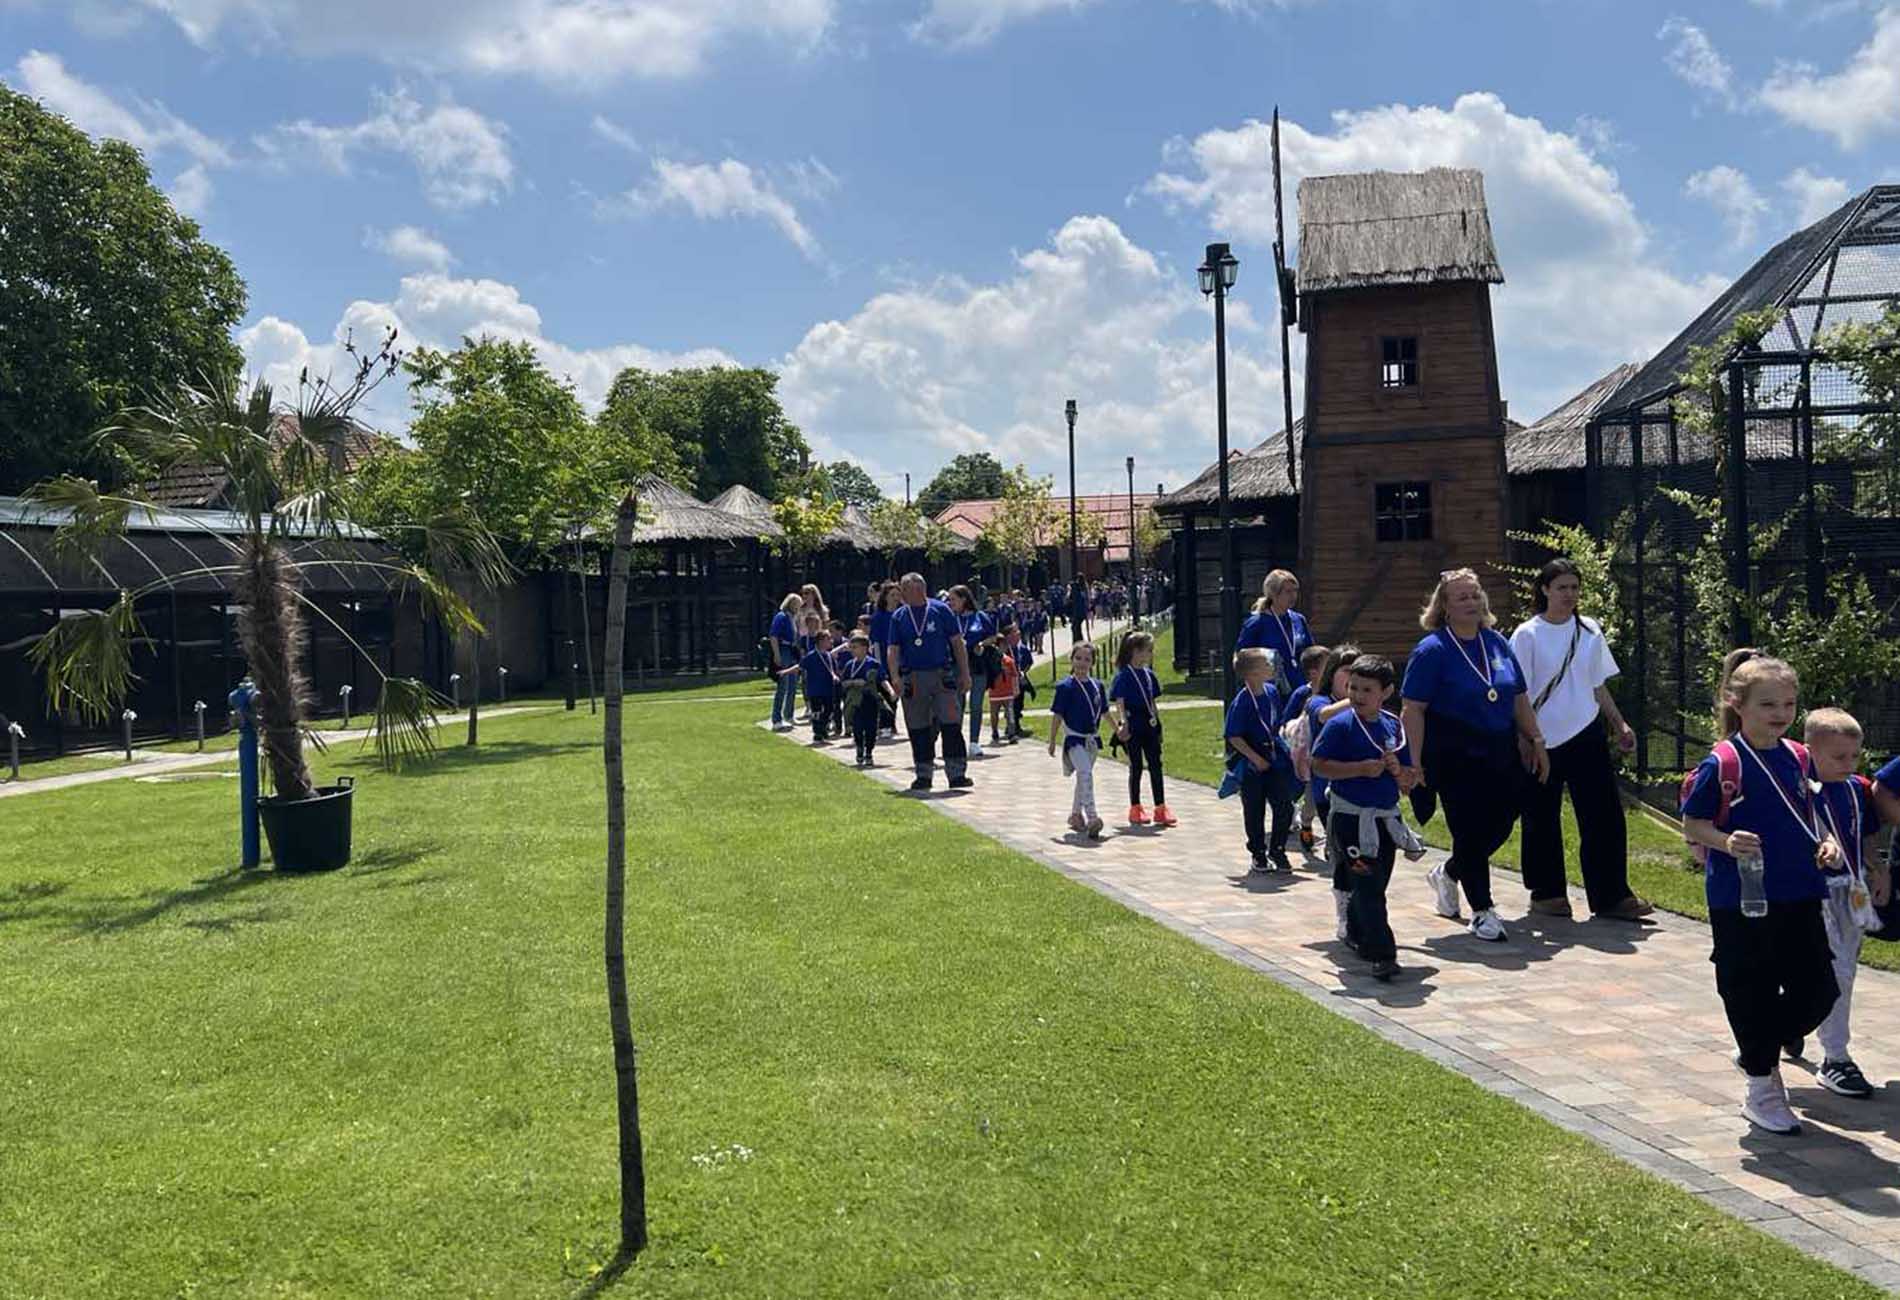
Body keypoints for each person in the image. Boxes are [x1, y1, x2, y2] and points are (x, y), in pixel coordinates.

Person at [1680, 652, 1841, 1135]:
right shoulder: (1723, 762)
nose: (1780, 714)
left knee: (1819, 991)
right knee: (1750, 986)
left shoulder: (1798, 756)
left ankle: (1758, 1046)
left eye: (1788, 704)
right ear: (1738, 703)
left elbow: (1812, 813)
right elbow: (1694, 824)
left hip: (1800, 891)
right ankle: (1761, 1086)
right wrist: (1726, 841)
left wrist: (1828, 843)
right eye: (1768, 704)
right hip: (1742, 898)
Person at [1399, 568, 1550, 943]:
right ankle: (1482, 910)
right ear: (1444, 606)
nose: (1471, 602)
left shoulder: (1496, 642)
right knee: (1467, 827)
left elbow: (1517, 696)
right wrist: (1413, 761)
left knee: (1502, 821)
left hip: (1498, 748)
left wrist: (1536, 739)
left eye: (1474, 595)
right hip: (1452, 750)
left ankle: (1450, 872)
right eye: (1461, 597)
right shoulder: (1432, 650)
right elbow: (1413, 709)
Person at [1510, 559, 1652, 922]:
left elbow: (1597, 684)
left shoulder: (1589, 629)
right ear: (1545, 589)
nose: (1569, 595)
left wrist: (1619, 724)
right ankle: (1547, 893)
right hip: (1541, 738)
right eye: (1562, 587)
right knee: (1541, 816)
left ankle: (1611, 896)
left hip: (1586, 732)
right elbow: (1517, 692)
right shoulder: (1527, 634)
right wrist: (1525, 738)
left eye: (1574, 587)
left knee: (1604, 815)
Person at [1311, 655, 1425, 981]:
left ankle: (1358, 931)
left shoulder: (1393, 726)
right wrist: (1358, 769)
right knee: (1368, 884)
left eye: (1366, 690)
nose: (1357, 696)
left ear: (1386, 692)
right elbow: (1318, 765)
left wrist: (1400, 772)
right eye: (1353, 688)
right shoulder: (1340, 725)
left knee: (1376, 884)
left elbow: (1408, 779)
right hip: (1350, 821)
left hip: (1384, 821)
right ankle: (1383, 955)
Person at [1807, 707, 1883, 1099]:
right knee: (1831, 971)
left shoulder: (1856, 789)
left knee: (1845, 971)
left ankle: (1801, 1031)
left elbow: (1866, 835)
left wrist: (1877, 869)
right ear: (1810, 752)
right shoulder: (1800, 790)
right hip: (1813, 895)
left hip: (1851, 892)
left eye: (1854, 756)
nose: (1848, 764)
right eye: (1838, 757)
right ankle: (1834, 1055)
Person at [884, 572, 973, 793]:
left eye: (906, 589)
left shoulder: (940, 610)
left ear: (919, 589)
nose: (902, 594)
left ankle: (957, 774)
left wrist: (965, 673)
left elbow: (957, 643)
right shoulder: (899, 616)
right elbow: (893, 649)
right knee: (918, 726)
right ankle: (923, 775)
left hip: (941, 674)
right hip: (913, 677)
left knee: (951, 723)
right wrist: (895, 676)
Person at [1225, 646, 1297, 874]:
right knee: (1254, 809)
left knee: (1284, 805)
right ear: (1253, 673)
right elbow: (1233, 736)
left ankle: (1278, 849)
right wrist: (1255, 758)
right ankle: (1258, 853)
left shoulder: (1272, 692)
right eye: (1266, 664)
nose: (1271, 667)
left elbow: (1275, 722)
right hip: (1252, 760)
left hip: (1274, 756)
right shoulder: (1242, 701)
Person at [1111, 630, 1175, 828]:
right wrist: (1123, 723)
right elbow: (1120, 702)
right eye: (1148, 650)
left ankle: (1160, 807)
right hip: (1133, 724)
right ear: (1136, 651)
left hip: (1149, 724)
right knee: (1136, 766)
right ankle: (1135, 807)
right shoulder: (1124, 676)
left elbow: (1152, 702)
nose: (1151, 654)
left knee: (1156, 763)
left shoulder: (1149, 675)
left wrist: (1158, 723)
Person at [1048, 640, 1107, 838]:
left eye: (1087, 659)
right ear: (1072, 660)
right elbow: (1057, 715)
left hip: (1092, 740)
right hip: (1074, 740)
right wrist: (1052, 740)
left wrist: (1118, 729)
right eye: (1078, 658)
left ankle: (1075, 815)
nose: (1082, 663)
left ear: (1093, 663)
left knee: (1083, 777)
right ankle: (1092, 817)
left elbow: (1104, 711)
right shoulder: (1065, 687)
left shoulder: (1097, 686)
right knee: (1085, 773)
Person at [1282, 643, 1331, 852]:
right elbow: (1286, 720)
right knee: (1312, 798)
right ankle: (1306, 824)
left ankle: (1332, 839)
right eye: (1328, 666)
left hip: (1330, 753)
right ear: (1313, 672)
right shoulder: (1303, 694)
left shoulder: (1335, 692)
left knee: (1332, 798)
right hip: (1308, 754)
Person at [1235, 570, 1312, 695]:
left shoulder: (1298, 619)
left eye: (1295, 591)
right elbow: (1242, 658)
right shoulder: (1257, 622)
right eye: (1288, 591)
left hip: (1298, 685)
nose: (1293, 596)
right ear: (1273, 594)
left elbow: (1310, 652)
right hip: (1270, 688)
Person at [947, 585, 997, 757]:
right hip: (957, 666)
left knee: (976, 704)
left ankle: (974, 742)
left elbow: (993, 636)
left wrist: (982, 644)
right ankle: (956, 741)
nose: (950, 603)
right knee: (957, 705)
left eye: (953, 599)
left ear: (964, 599)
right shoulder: (951, 618)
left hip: (977, 665)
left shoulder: (980, 616)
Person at [840, 632, 885, 768]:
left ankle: (869, 752)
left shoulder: (873, 664)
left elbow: (882, 679)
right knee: (857, 727)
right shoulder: (850, 665)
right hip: (855, 701)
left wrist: (891, 691)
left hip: (870, 700)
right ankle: (859, 747)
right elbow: (843, 682)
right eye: (851, 647)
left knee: (871, 728)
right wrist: (853, 683)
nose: (852, 650)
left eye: (855, 647)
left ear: (865, 648)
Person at [767, 593, 803, 731]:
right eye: (796, 604)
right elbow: (773, 636)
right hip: (783, 649)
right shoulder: (781, 616)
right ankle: (776, 719)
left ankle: (789, 715)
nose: (798, 607)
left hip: (792, 650)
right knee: (783, 685)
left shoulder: (793, 618)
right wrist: (777, 654)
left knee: (793, 684)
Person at [800, 629, 840, 743]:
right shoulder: (811, 656)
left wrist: (836, 677)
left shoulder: (829, 656)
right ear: (821, 641)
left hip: (828, 689)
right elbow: (800, 666)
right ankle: (818, 733)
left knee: (829, 709)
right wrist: (786, 672)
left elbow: (834, 670)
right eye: (828, 639)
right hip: (815, 689)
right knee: (816, 712)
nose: (831, 641)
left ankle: (822, 728)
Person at [1005, 625, 1036, 740]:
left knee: (1019, 703)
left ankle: (1016, 725)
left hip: (1019, 680)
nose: (1018, 633)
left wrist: (1023, 672)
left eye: (1018, 632)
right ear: (1008, 636)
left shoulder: (1022, 648)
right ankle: (1011, 726)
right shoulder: (1006, 649)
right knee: (1010, 704)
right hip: (1008, 681)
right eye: (1014, 632)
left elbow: (1029, 662)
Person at [987, 641, 1020, 747]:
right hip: (994, 693)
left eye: (1005, 646)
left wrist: (1016, 689)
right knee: (994, 714)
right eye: (1001, 646)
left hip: (1008, 692)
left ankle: (1011, 733)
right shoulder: (990, 660)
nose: (1003, 648)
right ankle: (994, 731)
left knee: (1010, 714)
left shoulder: (1009, 661)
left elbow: (1014, 675)